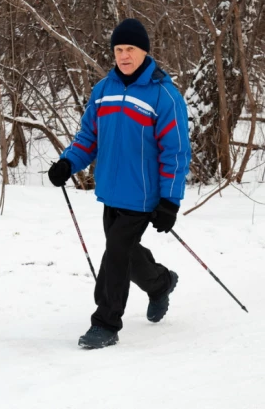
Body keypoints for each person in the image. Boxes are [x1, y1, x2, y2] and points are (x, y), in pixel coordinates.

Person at [48, 18, 191, 349]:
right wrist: (68, 163)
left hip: (143, 195)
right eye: (118, 49)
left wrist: (170, 200)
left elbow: (177, 152)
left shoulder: (164, 97)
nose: (124, 56)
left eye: (130, 49)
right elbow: (88, 137)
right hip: (111, 190)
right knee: (123, 252)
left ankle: (106, 322)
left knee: (115, 254)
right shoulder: (103, 90)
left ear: (144, 52)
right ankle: (159, 283)